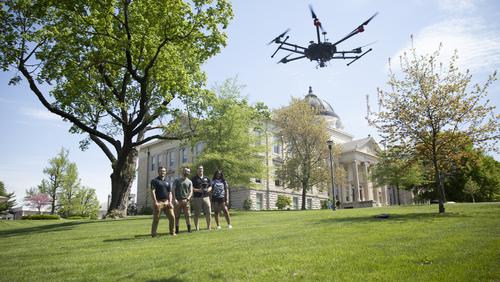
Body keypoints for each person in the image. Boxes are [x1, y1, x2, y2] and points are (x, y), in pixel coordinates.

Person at [150, 166, 175, 237]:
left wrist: (170, 202)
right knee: (156, 219)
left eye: (164, 171)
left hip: (167, 202)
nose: (163, 172)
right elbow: (153, 191)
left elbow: (170, 193)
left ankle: (172, 233)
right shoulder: (154, 181)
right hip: (159, 202)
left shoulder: (167, 182)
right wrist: (155, 202)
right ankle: (153, 234)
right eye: (161, 171)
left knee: (172, 217)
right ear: (158, 172)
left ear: (165, 172)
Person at [191, 165, 212, 231]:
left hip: (206, 197)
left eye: (202, 169)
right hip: (197, 198)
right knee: (197, 213)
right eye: (199, 169)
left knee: (208, 212)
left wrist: (208, 189)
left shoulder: (207, 178)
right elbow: (191, 188)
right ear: (197, 170)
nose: (201, 170)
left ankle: (209, 227)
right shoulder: (194, 179)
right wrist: (198, 190)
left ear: (203, 170)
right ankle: (197, 228)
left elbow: (211, 186)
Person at [173, 167, 193, 234]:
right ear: (183, 171)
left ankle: (189, 230)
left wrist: (187, 199)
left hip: (186, 201)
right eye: (185, 171)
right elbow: (173, 190)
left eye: (188, 171)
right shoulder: (176, 180)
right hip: (178, 201)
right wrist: (174, 199)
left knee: (188, 216)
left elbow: (191, 191)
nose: (187, 172)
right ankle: (177, 230)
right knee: (177, 216)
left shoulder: (189, 181)